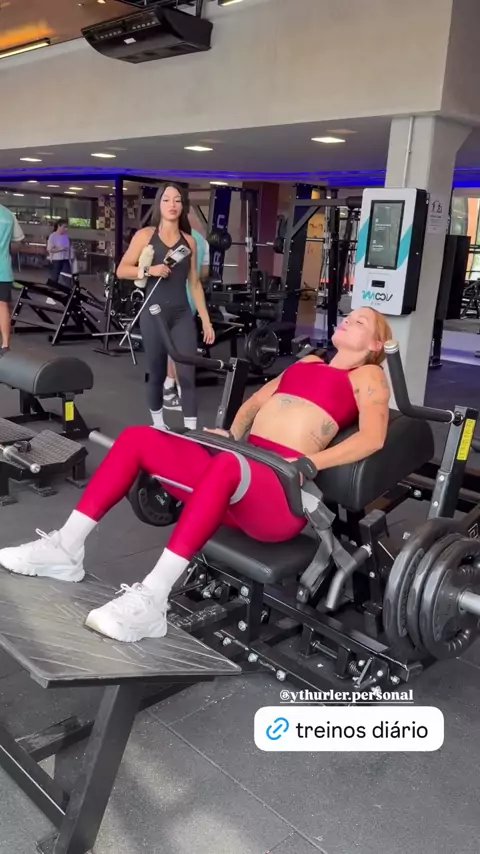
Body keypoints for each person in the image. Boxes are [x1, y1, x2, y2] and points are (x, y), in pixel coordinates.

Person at [0, 307, 392, 644]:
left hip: (279, 496)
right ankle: (66, 548)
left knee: (226, 464)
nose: (347, 320)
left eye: (360, 321)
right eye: (348, 316)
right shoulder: (306, 364)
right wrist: (233, 435)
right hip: (240, 476)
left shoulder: (367, 376)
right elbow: (255, 403)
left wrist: (311, 462)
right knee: (139, 437)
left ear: (375, 344)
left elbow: (373, 438)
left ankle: (153, 600)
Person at [117, 183, 215, 431]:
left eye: (177, 200)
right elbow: (122, 270)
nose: (172, 205)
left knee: (187, 374)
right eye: (167, 200)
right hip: (154, 315)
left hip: (182, 314)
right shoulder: (145, 235)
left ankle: (192, 433)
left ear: (183, 206)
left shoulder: (189, 241)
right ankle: (159, 425)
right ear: (159, 204)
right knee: (157, 372)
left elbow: (194, 283)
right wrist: (150, 270)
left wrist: (206, 320)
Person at [163, 226, 210, 411]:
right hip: (188, 299)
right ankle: (172, 386)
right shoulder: (202, 241)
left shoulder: (172, 237)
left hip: (175, 297)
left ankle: (174, 388)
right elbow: (203, 273)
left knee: (176, 345)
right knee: (177, 344)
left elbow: (167, 268)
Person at [0, 203, 24, 355]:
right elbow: (18, 241)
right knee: (3, 306)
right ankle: (5, 344)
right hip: (3, 268)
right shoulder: (8, 214)